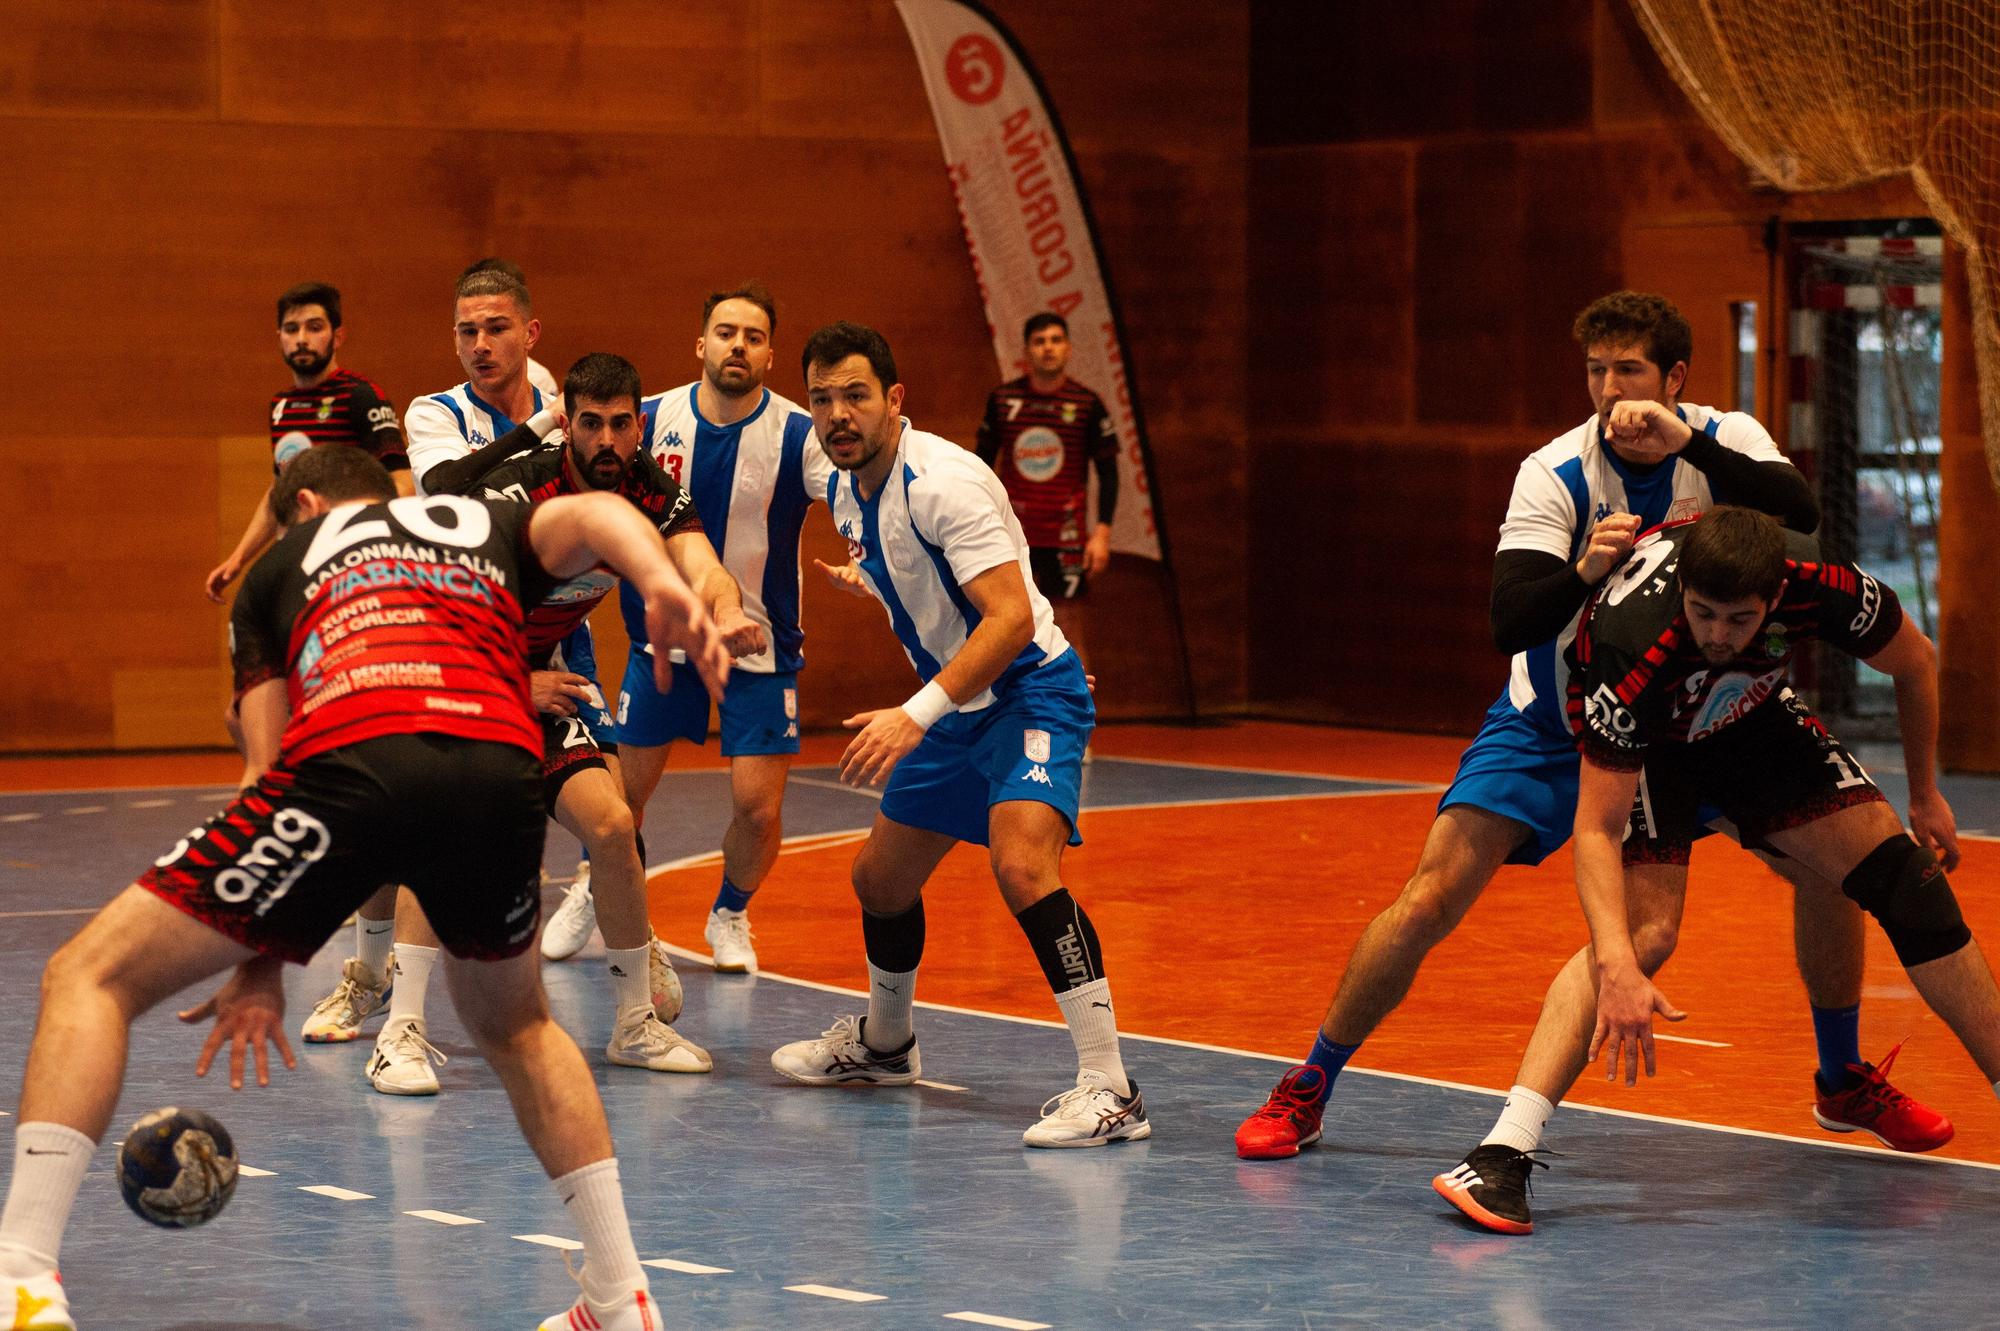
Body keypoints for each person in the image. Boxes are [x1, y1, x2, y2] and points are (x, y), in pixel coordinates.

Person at [0, 444, 727, 1331]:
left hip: (348, 763)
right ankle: (623, 1301)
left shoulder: (277, 568)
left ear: (306, 504)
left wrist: (261, 946)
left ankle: (22, 1282)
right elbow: (593, 518)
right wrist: (657, 575)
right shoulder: (481, 519)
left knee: (88, 976)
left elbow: (267, 771)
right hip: (498, 773)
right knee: (521, 1027)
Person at [1233, 291, 1943, 1161]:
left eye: (1630, 371)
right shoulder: (1555, 471)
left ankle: (1841, 1078)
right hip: (1548, 726)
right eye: (1597, 372)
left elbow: (1800, 515)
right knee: (1429, 895)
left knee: (1836, 870)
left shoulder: (1725, 440)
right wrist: (1584, 570)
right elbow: (1511, 620)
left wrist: (1692, 442)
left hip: (1687, 733)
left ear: (1674, 378)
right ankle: (1308, 1082)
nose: (1611, 389)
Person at [1434, 507, 2000, 1234]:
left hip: (1747, 719)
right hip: (1653, 743)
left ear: (1774, 596)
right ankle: (1500, 1150)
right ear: (1684, 593)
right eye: (1704, 614)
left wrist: (1924, 793)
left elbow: (1915, 659)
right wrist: (1618, 964)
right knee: (1646, 935)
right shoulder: (1634, 640)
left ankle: (1858, 1082)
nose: (1720, 633)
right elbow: (1596, 830)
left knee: (1906, 881)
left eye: (1739, 619)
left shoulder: (1817, 584)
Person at [769, 322, 1147, 1148]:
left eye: (856, 395)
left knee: (1022, 866)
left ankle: (1112, 1087)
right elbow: (919, 578)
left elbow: (1010, 618)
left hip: (1028, 692)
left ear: (894, 400)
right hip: (958, 699)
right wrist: (868, 581)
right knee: (880, 881)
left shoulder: (946, 481)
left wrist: (916, 714)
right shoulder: (845, 487)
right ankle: (886, 1043)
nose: (838, 414)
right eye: (823, 398)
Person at [301, 264, 616, 1093]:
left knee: (605, 819)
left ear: (531, 332)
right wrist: (538, 434)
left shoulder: (563, 397)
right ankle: (381, 995)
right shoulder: (437, 412)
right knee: (398, 819)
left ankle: (638, 1003)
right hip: (449, 634)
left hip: (547, 641)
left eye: (497, 328)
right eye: (467, 331)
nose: (481, 345)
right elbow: (447, 493)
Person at [441, 350, 758, 1075]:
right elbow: (444, 616)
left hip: (543, 674)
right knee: (437, 836)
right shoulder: (518, 496)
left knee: (614, 825)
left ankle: (634, 1024)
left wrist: (727, 607)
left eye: (622, 424)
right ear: (567, 428)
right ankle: (390, 1012)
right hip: (458, 673)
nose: (607, 441)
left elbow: (699, 563)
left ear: (640, 427)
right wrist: (513, 688)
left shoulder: (651, 489)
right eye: (591, 424)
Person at [545, 284, 829, 976]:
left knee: (757, 810)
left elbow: (859, 492)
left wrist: (877, 562)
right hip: (660, 645)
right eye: (725, 332)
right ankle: (592, 883)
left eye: (753, 336)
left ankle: (731, 911)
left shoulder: (799, 434)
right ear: (701, 343)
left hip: (758, 645)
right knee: (623, 797)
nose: (738, 344)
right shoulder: (643, 419)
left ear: (770, 352)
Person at [205, 282, 411, 603]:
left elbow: (401, 482)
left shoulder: (361, 396)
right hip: (300, 560)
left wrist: (358, 537)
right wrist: (238, 559)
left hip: (351, 561)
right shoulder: (280, 406)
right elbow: (280, 492)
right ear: (280, 339)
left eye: (314, 328)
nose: (301, 339)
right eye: (291, 329)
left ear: (337, 336)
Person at [974, 312, 1119, 667]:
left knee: (1067, 628)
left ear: (1068, 348)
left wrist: (1101, 534)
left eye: (1055, 340)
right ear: (1026, 350)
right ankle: (1011, 719)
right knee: (1006, 626)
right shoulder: (1004, 401)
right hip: (1010, 536)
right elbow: (979, 468)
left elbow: (1109, 473)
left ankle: (1076, 721)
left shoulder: (1087, 404)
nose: (1048, 348)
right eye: (1039, 341)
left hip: (1066, 536)